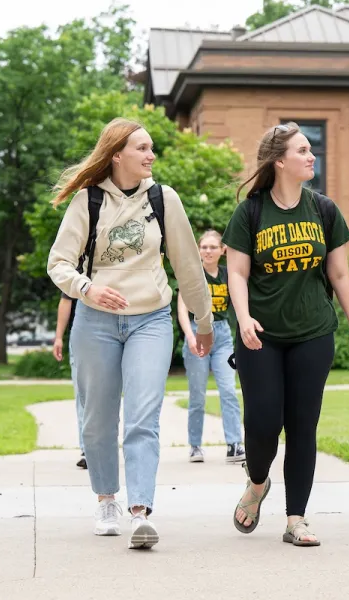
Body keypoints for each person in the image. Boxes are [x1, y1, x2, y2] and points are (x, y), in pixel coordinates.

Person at [47, 117, 214, 550]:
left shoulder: (163, 199)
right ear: (117, 154)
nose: (151, 155)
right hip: (95, 322)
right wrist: (87, 288)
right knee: (97, 420)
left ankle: (140, 510)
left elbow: (188, 266)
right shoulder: (87, 201)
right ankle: (106, 500)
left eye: (151, 147)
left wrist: (204, 321)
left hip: (150, 320)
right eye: (142, 148)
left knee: (143, 416)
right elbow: (58, 263)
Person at [222, 122, 349, 547]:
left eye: (311, 149)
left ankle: (296, 519)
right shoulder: (250, 212)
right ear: (279, 161)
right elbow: (237, 273)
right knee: (263, 422)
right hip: (260, 334)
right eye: (303, 150)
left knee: (303, 426)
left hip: (313, 331)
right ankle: (257, 482)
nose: (311, 156)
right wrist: (244, 318)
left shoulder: (323, 209)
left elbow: (339, 274)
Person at [177, 230, 245, 464]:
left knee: (228, 390)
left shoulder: (228, 274)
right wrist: (189, 336)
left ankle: (234, 444)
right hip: (197, 333)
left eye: (213, 247)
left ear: (223, 250)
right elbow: (182, 308)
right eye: (204, 247)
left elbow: (240, 303)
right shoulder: (193, 274)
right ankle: (195, 446)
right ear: (198, 250)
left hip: (222, 335)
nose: (208, 251)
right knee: (197, 395)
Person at [52, 293, 87, 469]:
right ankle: (88, 450)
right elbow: (66, 299)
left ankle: (103, 447)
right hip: (81, 337)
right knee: (82, 395)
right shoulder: (78, 276)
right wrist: (59, 337)